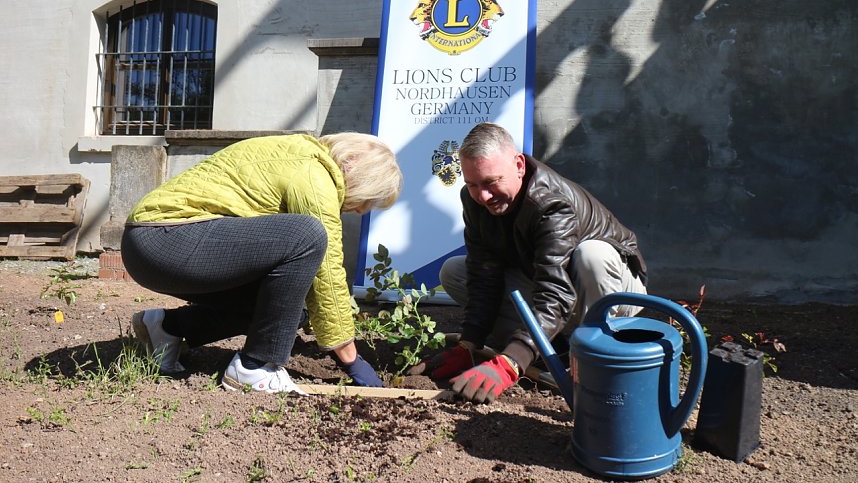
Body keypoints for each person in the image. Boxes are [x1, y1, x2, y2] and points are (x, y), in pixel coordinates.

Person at [121, 132, 402, 394]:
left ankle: (169, 327)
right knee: (308, 235)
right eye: (367, 199)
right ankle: (256, 366)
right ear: (353, 168)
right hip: (165, 239)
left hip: (149, 245)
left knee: (289, 308)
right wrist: (350, 358)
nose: (361, 210)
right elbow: (327, 272)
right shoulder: (313, 175)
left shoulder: (297, 153)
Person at [410, 123, 647, 403]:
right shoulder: (475, 201)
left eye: (491, 182)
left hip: (614, 291)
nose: (483, 196)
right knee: (454, 271)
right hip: (555, 285)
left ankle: (594, 355)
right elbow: (484, 274)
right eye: (472, 184)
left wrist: (513, 361)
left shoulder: (551, 203)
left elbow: (555, 291)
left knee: (591, 255)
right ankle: (552, 344)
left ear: (519, 166)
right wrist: (469, 343)